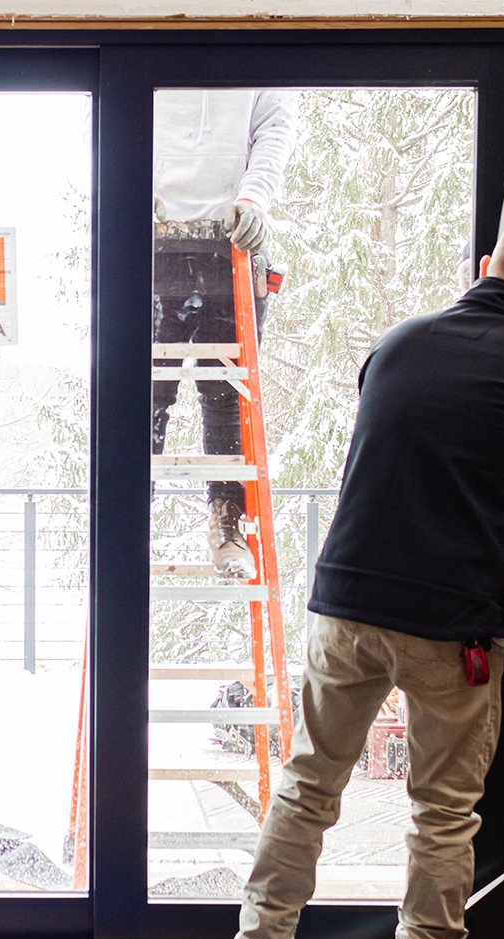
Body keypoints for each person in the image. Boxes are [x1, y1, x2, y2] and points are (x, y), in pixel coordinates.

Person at [215, 214, 504, 939]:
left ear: (484, 265)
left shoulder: (397, 342)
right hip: (448, 623)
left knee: (307, 785)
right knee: (442, 813)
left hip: (345, 600)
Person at [151, 90, 299, 575]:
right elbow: (118, 106)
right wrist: (130, 181)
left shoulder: (259, 43)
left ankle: (227, 521)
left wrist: (254, 199)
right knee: (143, 392)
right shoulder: (153, 34)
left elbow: (273, 131)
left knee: (225, 394)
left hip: (231, 241)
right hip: (153, 233)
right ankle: (131, 513)